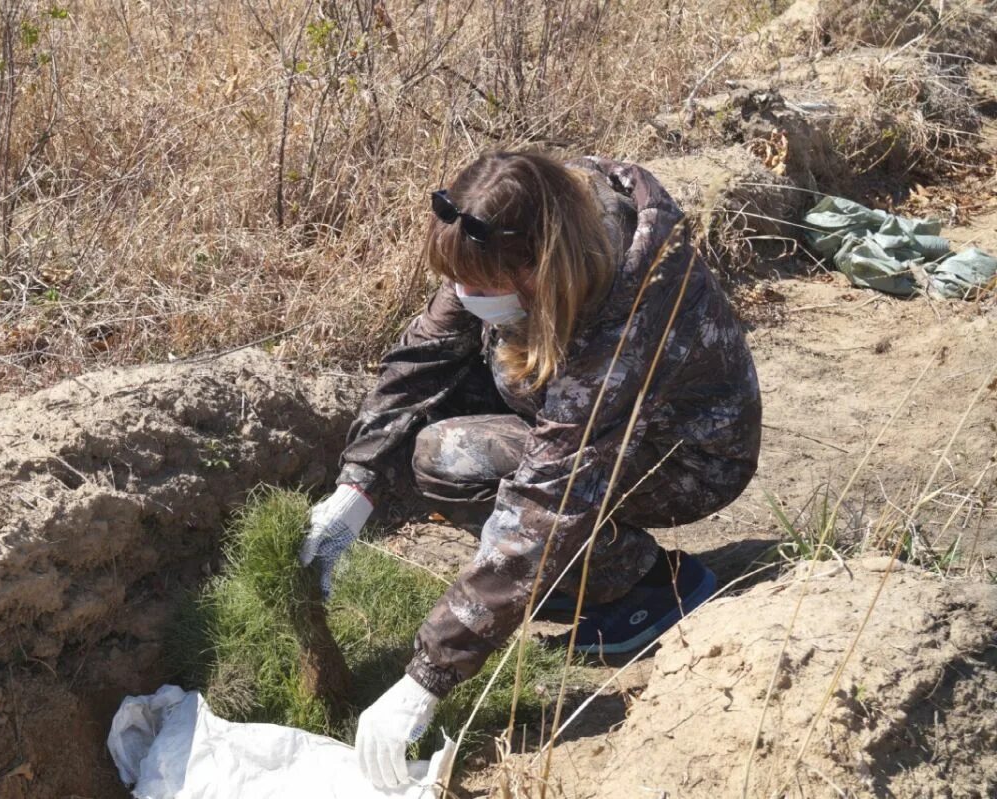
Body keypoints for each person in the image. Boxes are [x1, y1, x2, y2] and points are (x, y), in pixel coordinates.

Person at [299, 150, 762, 789]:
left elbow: (547, 499)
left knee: (452, 457)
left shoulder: (626, 309)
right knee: (434, 432)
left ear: (538, 268)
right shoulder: (510, 224)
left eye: (482, 289)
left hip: (688, 452)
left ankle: (650, 588)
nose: (464, 298)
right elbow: (422, 360)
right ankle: (598, 574)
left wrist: (428, 674)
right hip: (572, 405)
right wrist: (357, 486)